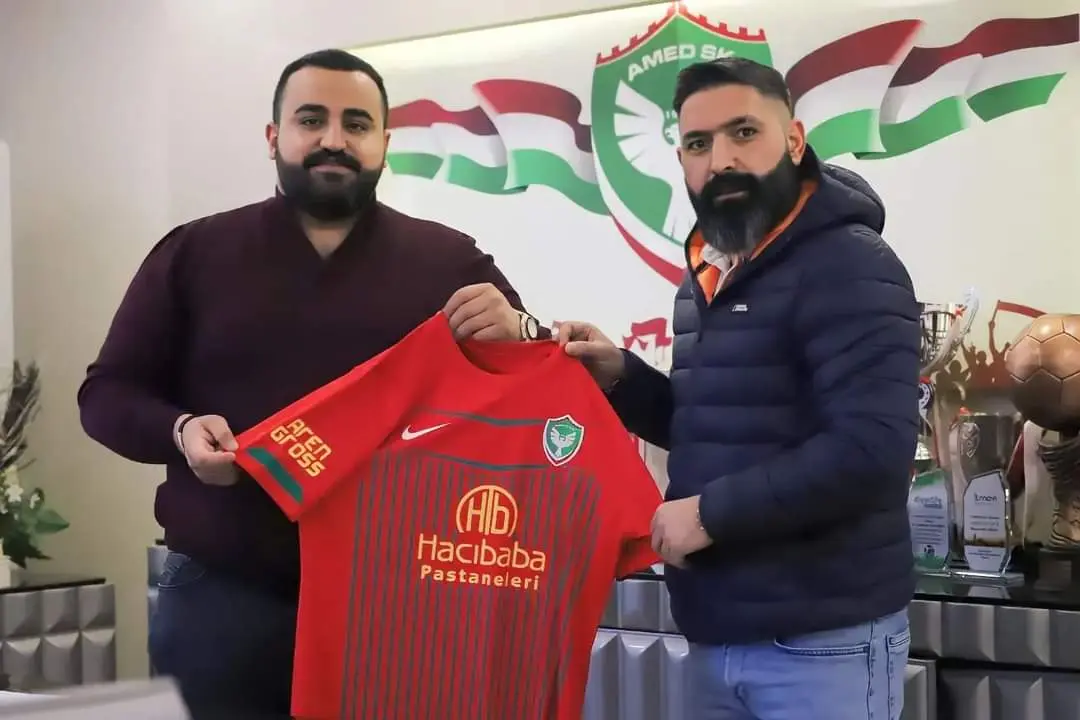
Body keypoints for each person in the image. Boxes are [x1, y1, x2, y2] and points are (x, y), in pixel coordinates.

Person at [77, 49, 543, 719]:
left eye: (356, 124)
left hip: (400, 599)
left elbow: (533, 384)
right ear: (274, 137)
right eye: (310, 119)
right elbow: (107, 394)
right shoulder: (196, 253)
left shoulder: (448, 261)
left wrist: (521, 328)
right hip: (221, 598)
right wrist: (179, 432)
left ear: (385, 143)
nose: (333, 139)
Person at [557, 58, 921, 720]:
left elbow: (870, 451)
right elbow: (719, 425)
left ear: (794, 140)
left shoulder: (849, 264)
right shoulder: (707, 276)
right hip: (716, 632)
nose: (721, 159)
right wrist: (620, 376)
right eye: (698, 143)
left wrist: (707, 516)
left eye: (743, 133)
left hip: (823, 642)